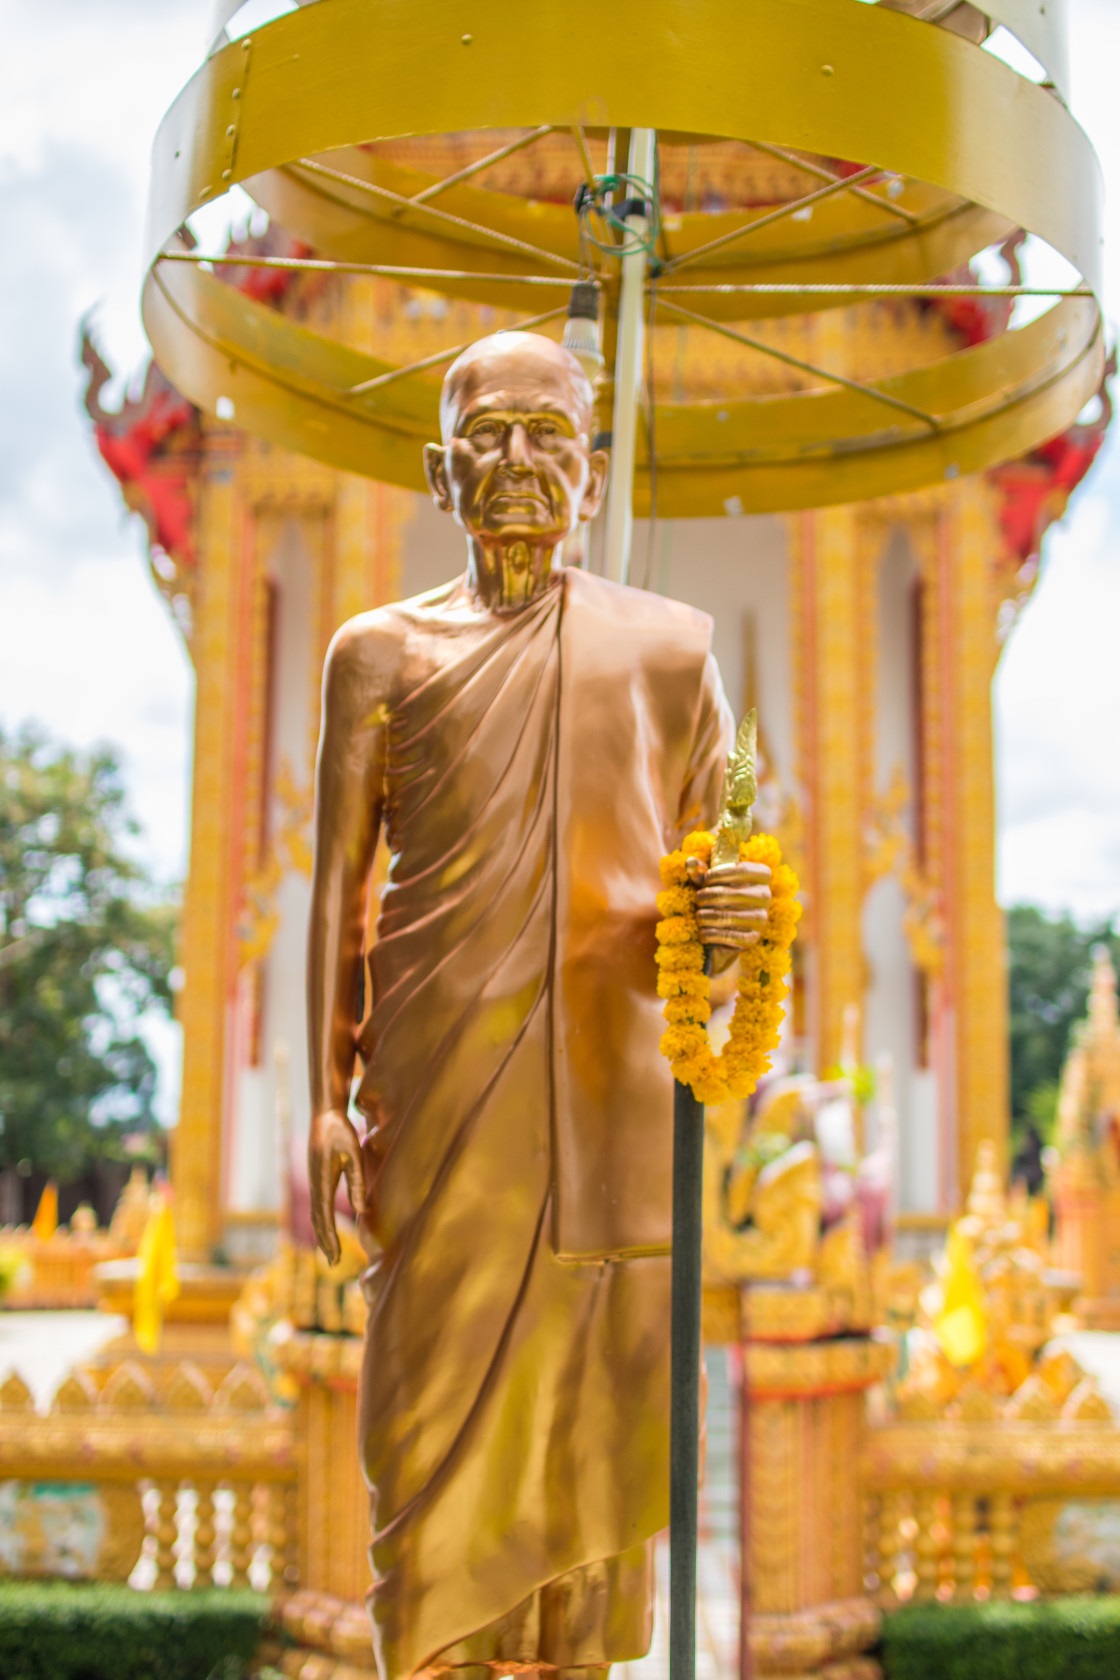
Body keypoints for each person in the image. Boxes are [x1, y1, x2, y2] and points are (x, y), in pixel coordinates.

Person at [307, 330, 769, 1680]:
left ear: (593, 463)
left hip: (609, 1118)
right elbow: (338, 891)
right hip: (433, 1098)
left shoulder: (672, 652)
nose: (521, 463)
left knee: (591, 1488)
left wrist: (729, 929)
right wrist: (321, 1104)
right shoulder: (376, 657)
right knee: (425, 1429)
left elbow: (713, 886)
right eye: (492, 435)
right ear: (440, 469)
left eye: (551, 435)